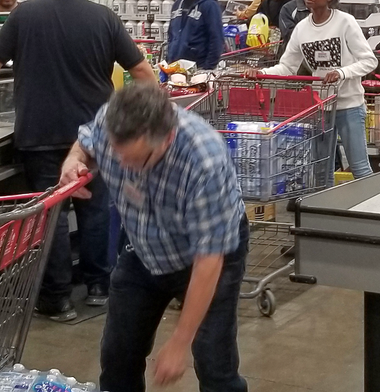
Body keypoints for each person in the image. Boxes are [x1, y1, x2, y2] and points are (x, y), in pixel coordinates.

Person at [0, 0, 158, 322]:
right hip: (96, 136)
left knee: (51, 217)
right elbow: (140, 70)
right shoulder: (104, 18)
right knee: (96, 210)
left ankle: (56, 299)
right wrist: (152, 111)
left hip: (41, 133)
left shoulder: (26, 15)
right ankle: (98, 288)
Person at [57, 82, 248, 392]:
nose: (125, 168)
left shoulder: (204, 160)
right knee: (118, 356)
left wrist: (180, 340)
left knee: (215, 363)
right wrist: (72, 161)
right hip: (143, 245)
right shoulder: (111, 121)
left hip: (205, 256)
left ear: (167, 138)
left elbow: (209, 261)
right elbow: (85, 142)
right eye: (117, 156)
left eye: (137, 159)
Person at [262, 0, 376, 179]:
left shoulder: (345, 22)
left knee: (359, 168)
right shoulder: (302, 28)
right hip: (320, 108)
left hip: (348, 105)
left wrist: (341, 73)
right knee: (322, 171)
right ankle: (326, 210)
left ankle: (372, 210)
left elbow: (370, 61)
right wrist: (261, 74)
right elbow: (287, 67)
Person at [165, 0, 224, 71]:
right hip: (174, 70)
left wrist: (206, 70)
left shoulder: (209, 5)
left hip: (197, 71)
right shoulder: (177, 4)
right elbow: (171, 36)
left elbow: (216, 40)